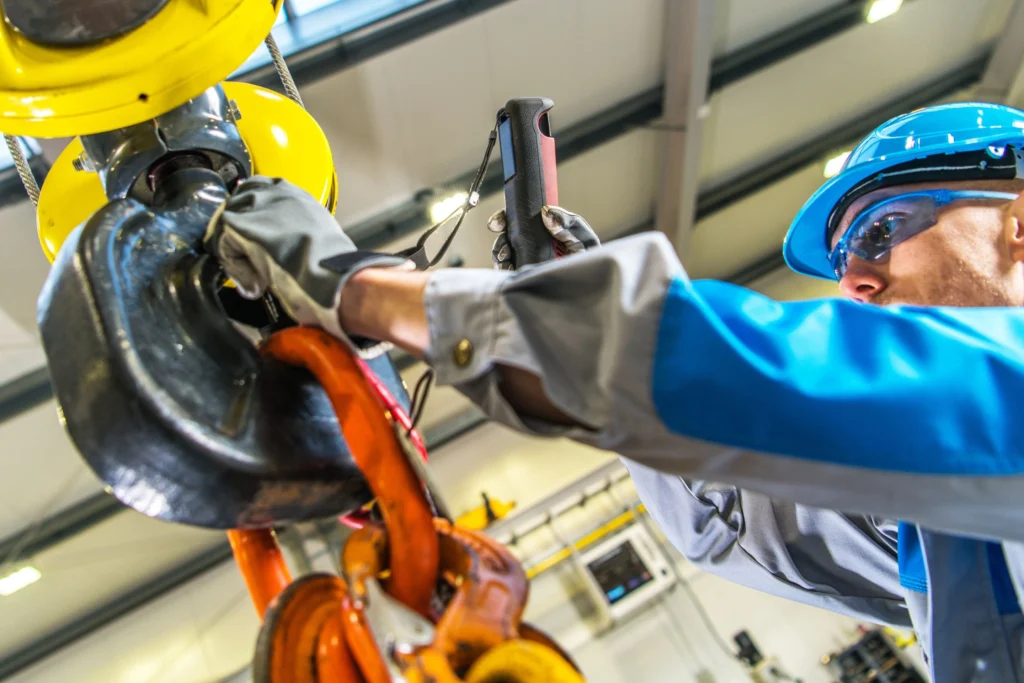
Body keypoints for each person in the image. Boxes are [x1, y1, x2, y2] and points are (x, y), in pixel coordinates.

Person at [205, 101, 1024, 683]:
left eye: (881, 230)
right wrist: (574, 326)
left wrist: (361, 288)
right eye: (844, 259)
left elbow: (748, 368)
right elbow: (733, 528)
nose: (856, 280)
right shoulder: (951, 523)